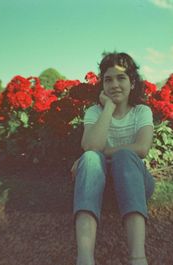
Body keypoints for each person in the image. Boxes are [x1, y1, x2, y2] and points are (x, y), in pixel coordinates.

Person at [71, 52, 155, 265]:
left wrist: (99, 153)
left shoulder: (141, 112)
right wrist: (108, 107)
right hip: (100, 187)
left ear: (132, 82)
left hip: (135, 184)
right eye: (108, 79)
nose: (114, 84)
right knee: (90, 158)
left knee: (124, 155)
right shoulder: (94, 112)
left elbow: (142, 148)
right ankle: (85, 258)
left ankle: (138, 257)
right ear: (102, 84)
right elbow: (91, 146)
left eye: (121, 78)